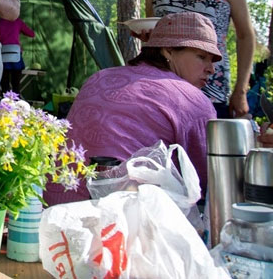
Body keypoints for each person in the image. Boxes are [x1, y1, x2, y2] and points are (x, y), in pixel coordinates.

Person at [45, 12, 220, 205]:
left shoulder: (100, 76)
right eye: (202, 57)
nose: (211, 68)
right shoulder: (194, 102)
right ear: (168, 51)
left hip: (51, 207)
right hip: (123, 221)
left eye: (212, 60)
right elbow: (205, 183)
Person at [0, 16, 35, 96]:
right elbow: (31, 34)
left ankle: (5, 104)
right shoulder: (18, 22)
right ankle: (17, 103)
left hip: (2, 55)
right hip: (16, 55)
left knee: (4, 84)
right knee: (16, 85)